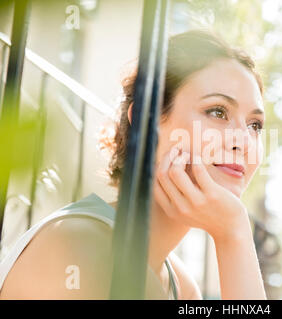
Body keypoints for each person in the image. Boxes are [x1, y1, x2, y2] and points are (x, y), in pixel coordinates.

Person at [0, 29, 267, 300]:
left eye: (255, 125)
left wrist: (234, 235)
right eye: (217, 112)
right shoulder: (77, 246)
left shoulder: (182, 287)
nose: (243, 141)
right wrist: (234, 234)